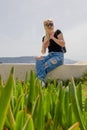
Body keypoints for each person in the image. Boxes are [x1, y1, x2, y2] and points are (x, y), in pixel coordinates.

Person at [36, 19, 66, 86]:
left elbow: (63, 44)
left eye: (51, 24)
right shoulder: (44, 38)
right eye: (47, 24)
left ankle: (40, 81)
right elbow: (43, 52)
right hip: (50, 55)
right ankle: (40, 81)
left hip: (58, 56)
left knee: (45, 65)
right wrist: (44, 45)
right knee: (38, 59)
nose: (50, 26)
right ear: (45, 27)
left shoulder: (57, 32)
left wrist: (53, 38)